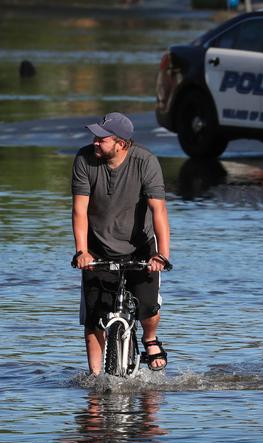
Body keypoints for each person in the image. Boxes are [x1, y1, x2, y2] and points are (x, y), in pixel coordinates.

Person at [71, 112, 171, 375]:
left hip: (140, 247)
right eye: (94, 136)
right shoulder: (84, 159)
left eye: (102, 139)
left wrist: (161, 255)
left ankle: (149, 339)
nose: (95, 142)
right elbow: (79, 210)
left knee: (148, 307)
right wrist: (81, 251)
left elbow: (158, 211)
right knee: (94, 318)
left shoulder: (145, 161)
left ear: (121, 143)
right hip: (97, 247)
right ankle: (95, 376)